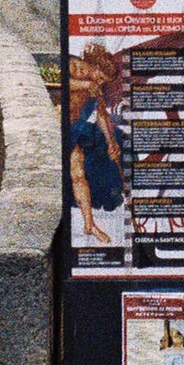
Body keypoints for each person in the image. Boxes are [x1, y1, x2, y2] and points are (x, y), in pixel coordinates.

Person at [67, 43, 128, 246]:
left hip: (73, 127)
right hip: (58, 123)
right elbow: (58, 82)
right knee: (76, 173)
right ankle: (88, 223)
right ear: (93, 65)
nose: (100, 82)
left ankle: (89, 224)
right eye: (100, 76)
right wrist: (85, 85)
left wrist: (112, 142)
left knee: (78, 173)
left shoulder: (95, 84)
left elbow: (101, 114)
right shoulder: (73, 66)